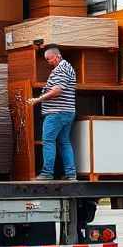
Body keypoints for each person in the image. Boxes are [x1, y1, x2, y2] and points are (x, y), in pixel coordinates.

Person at [27, 47, 77, 180]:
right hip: (66, 111)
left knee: (48, 141)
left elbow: (57, 91)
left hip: (57, 113)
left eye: (49, 59)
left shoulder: (62, 68)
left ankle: (47, 173)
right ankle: (70, 174)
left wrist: (38, 99)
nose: (48, 62)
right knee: (64, 142)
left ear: (57, 56)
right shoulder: (66, 68)